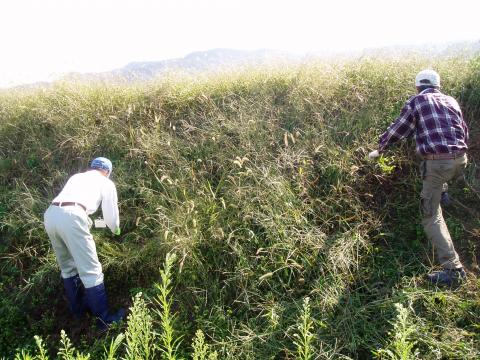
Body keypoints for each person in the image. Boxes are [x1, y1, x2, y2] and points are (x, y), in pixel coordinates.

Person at [369, 69, 469, 286]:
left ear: (417, 87)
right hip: (461, 160)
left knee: (430, 216)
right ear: (438, 86)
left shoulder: (417, 101)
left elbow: (399, 129)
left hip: (438, 165)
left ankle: (454, 270)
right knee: (432, 166)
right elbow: (464, 131)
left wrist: (381, 147)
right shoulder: (451, 100)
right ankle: (443, 193)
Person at [44, 157, 125, 328]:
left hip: (51, 214)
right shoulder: (106, 183)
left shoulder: (76, 177)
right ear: (107, 172)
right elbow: (111, 219)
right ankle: (104, 320)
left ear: (92, 167)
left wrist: (92, 223)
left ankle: (79, 313)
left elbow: (76, 210)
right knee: (92, 271)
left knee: (67, 268)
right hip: (73, 215)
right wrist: (116, 229)